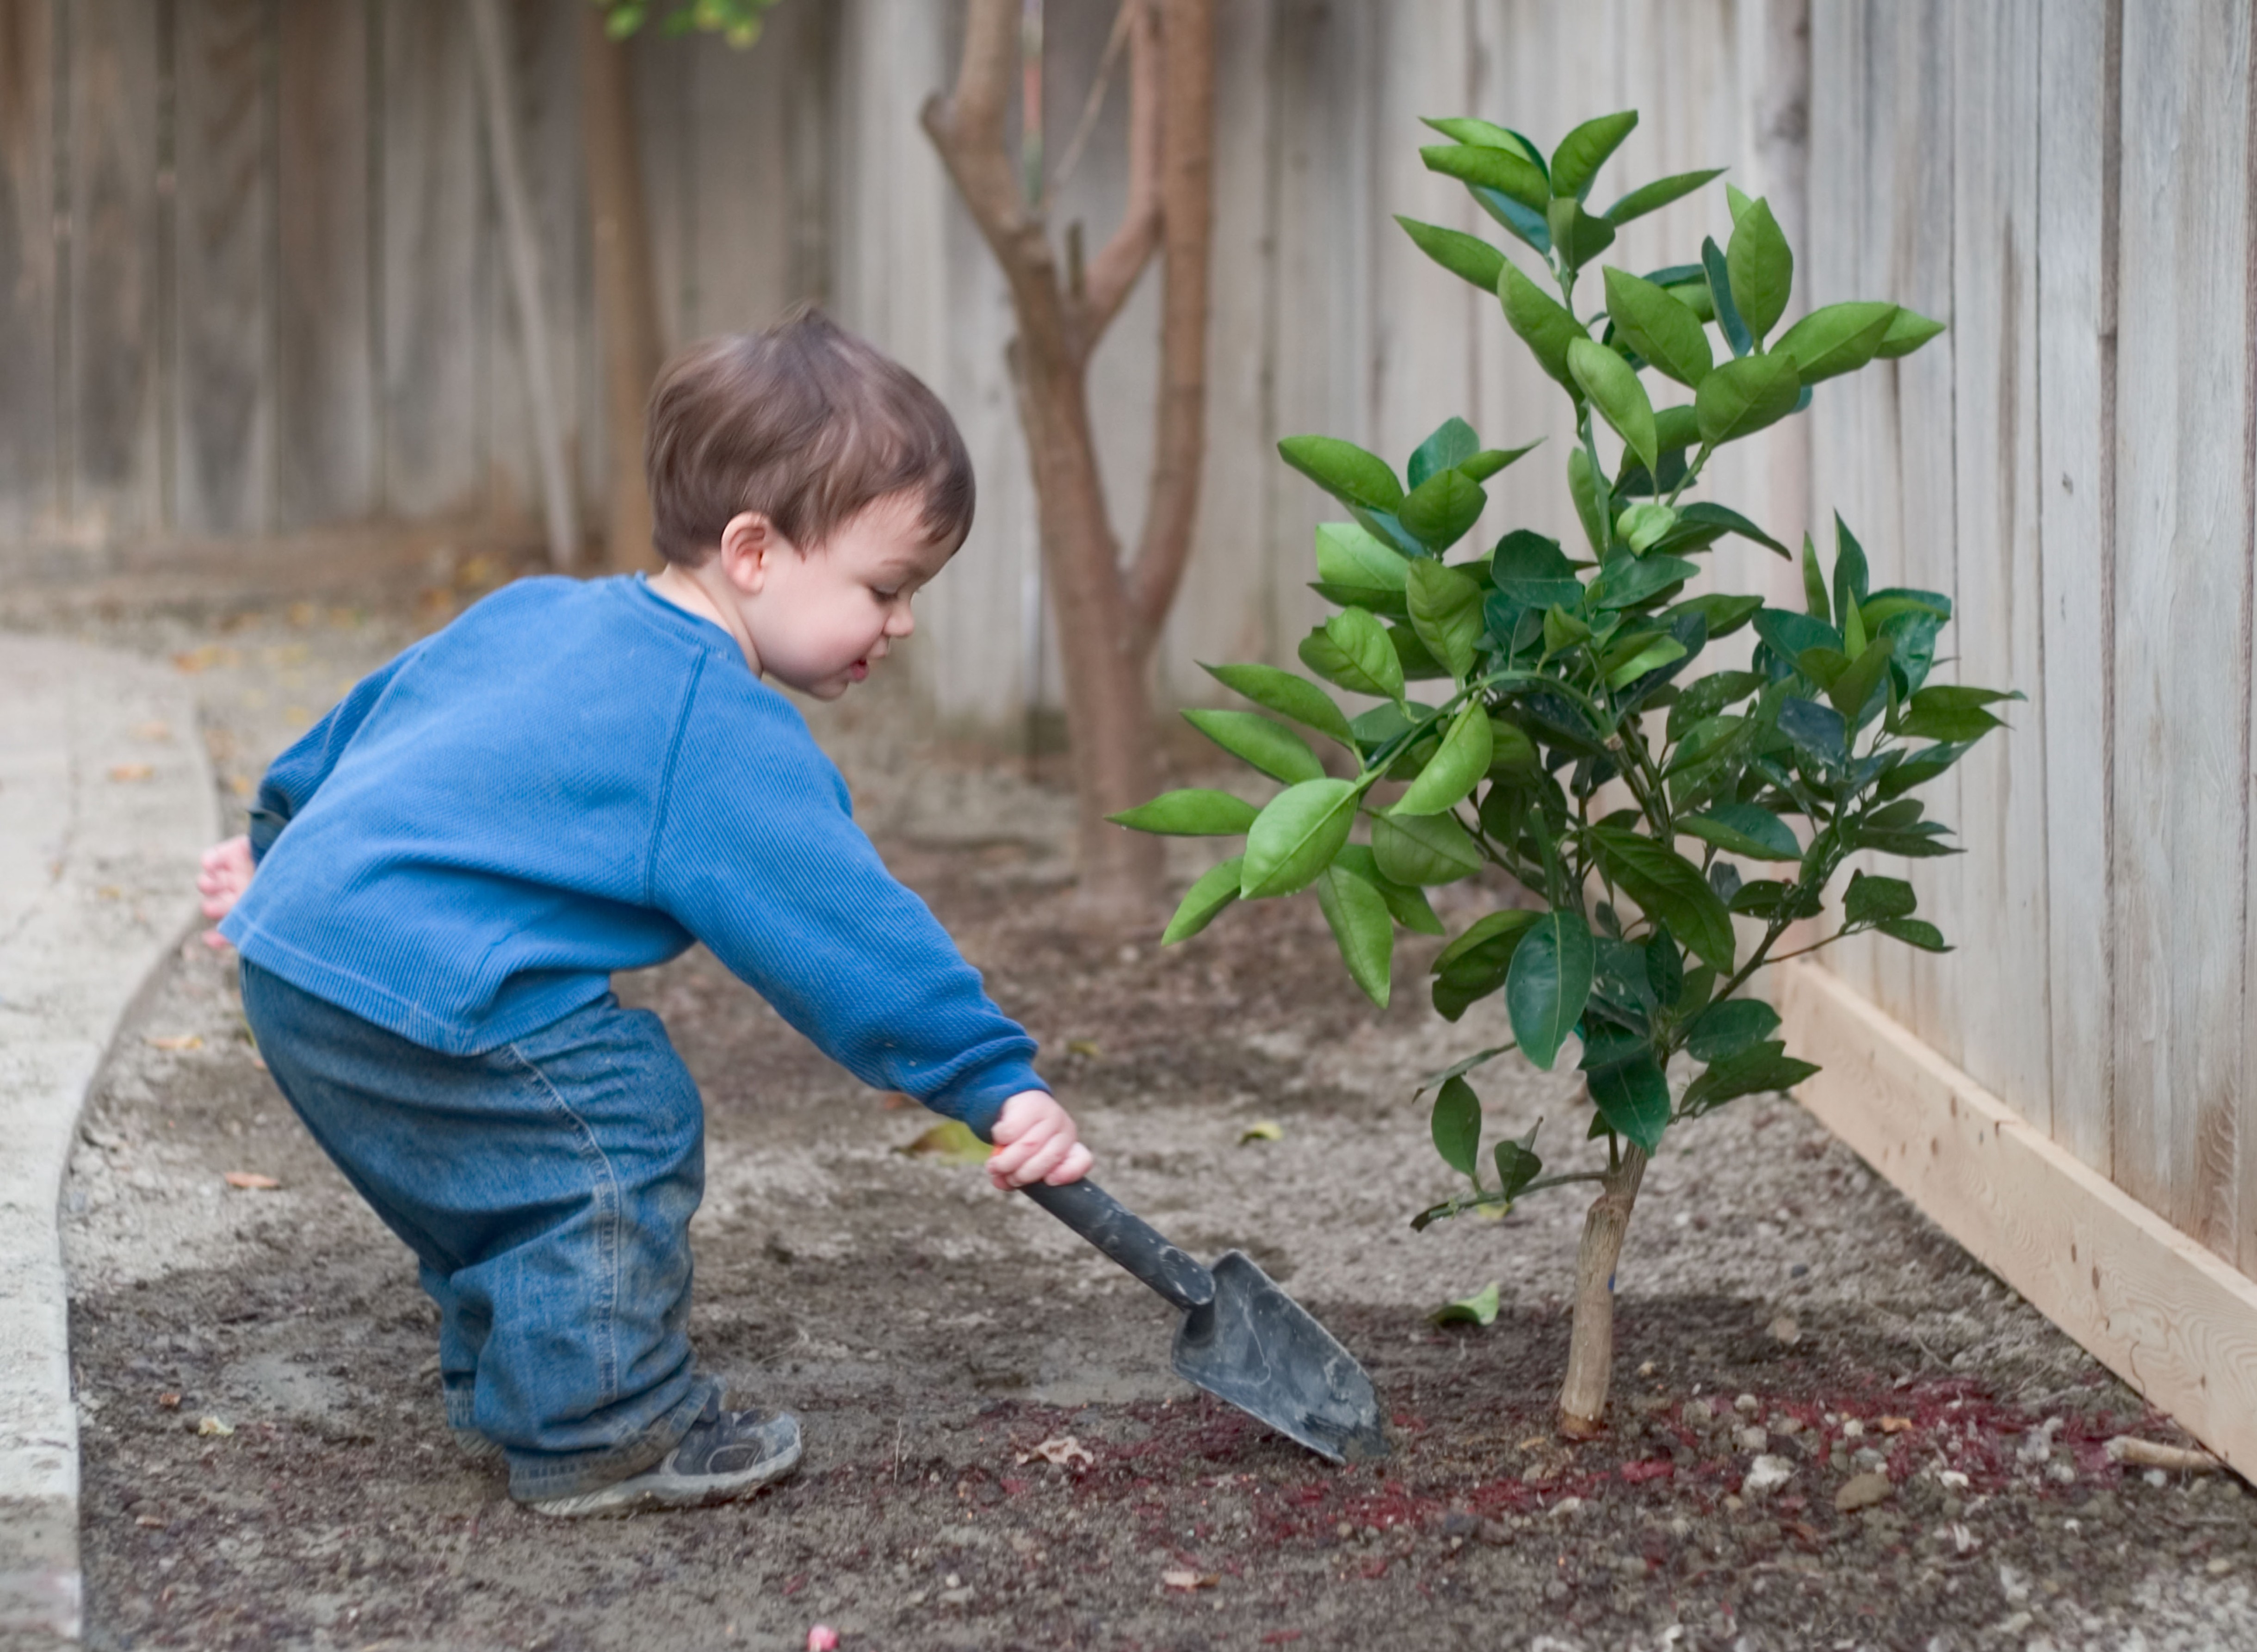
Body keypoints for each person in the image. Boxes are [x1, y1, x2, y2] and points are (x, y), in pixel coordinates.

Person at [193, 311, 1093, 1519]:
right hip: (418, 975)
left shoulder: (536, 611)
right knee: (616, 1129)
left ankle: (523, 1383)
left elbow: (373, 717)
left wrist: (273, 842)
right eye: (886, 588)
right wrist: (992, 1079)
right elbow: (844, 930)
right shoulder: (711, 720)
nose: (904, 623)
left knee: (506, 1165)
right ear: (754, 550)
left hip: (298, 958)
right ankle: (604, 1425)